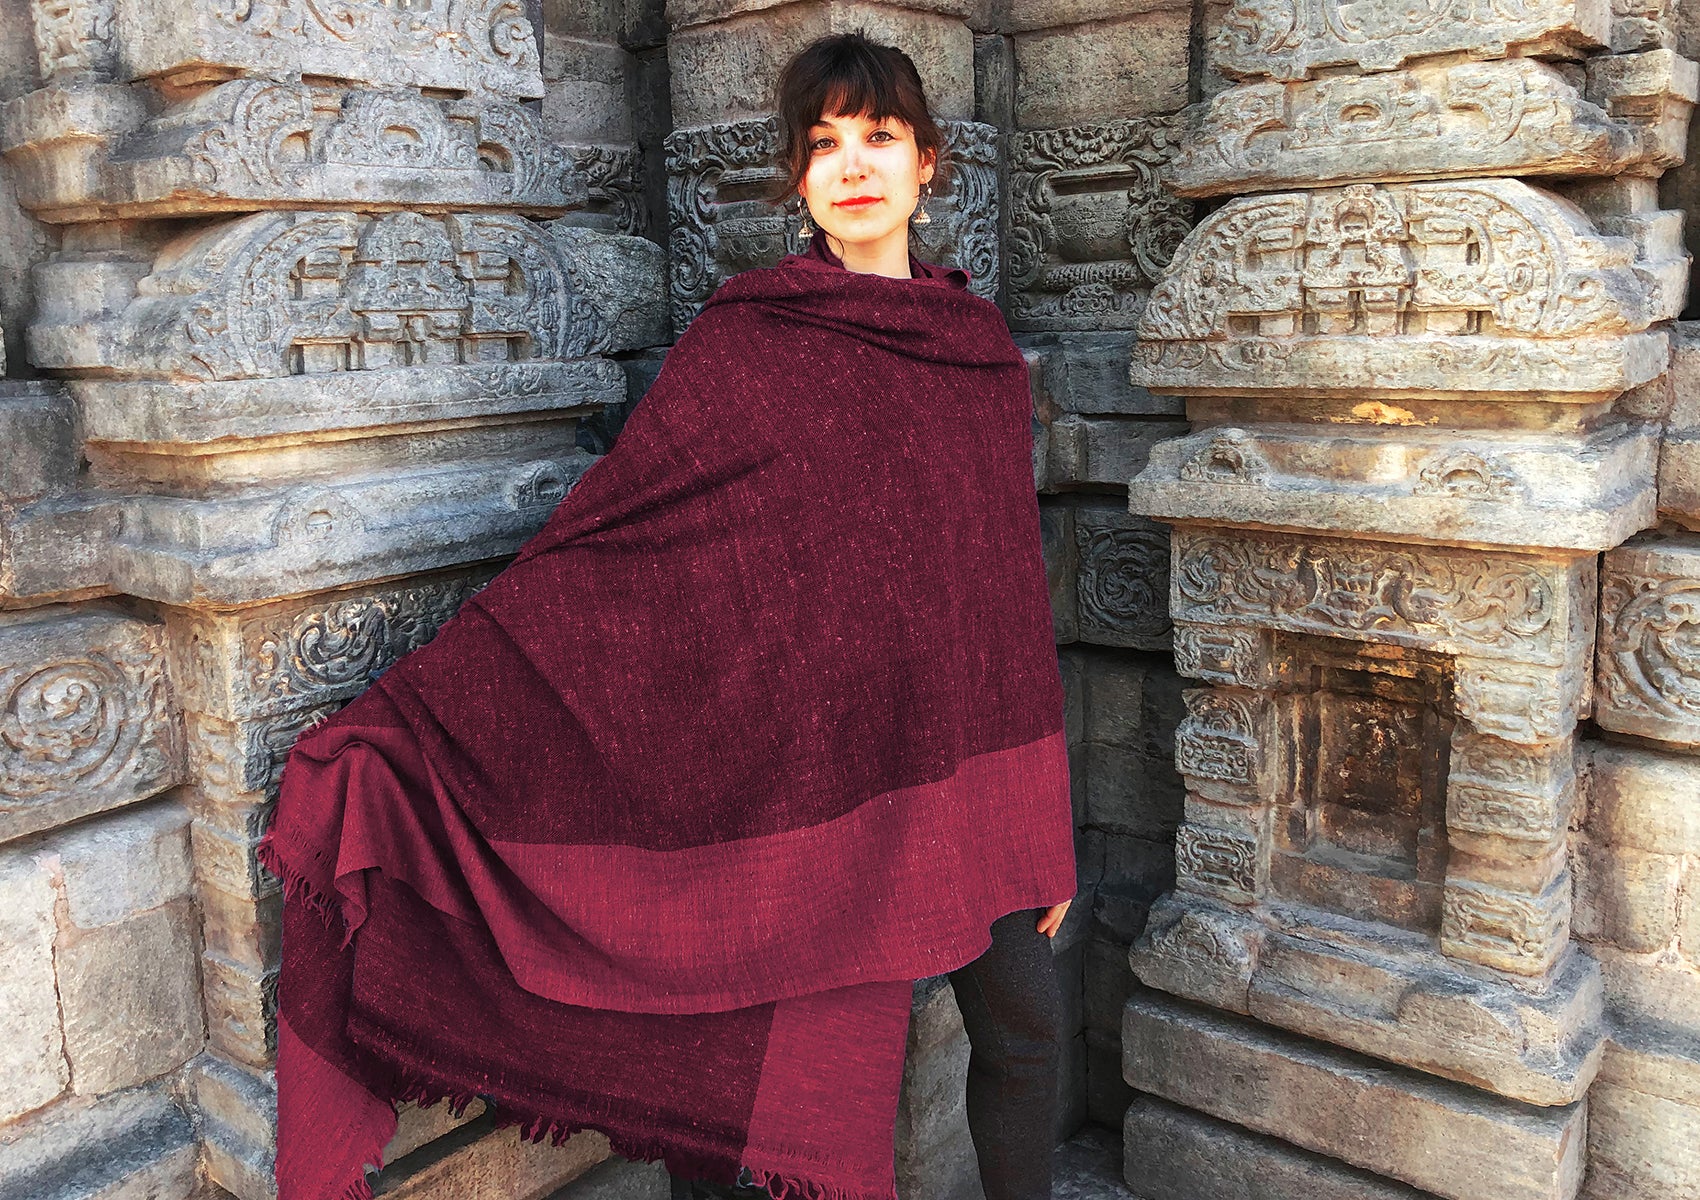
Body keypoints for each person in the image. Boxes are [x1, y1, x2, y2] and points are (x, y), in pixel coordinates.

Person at [671, 31, 1072, 1200]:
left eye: (878, 137)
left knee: (1026, 1033)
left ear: (928, 163)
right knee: (797, 1078)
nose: (853, 164)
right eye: (822, 144)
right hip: (814, 769)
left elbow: (1004, 591)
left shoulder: (977, 352)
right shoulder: (747, 341)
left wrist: (1040, 816)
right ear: (795, 180)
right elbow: (655, 560)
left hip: (971, 762)